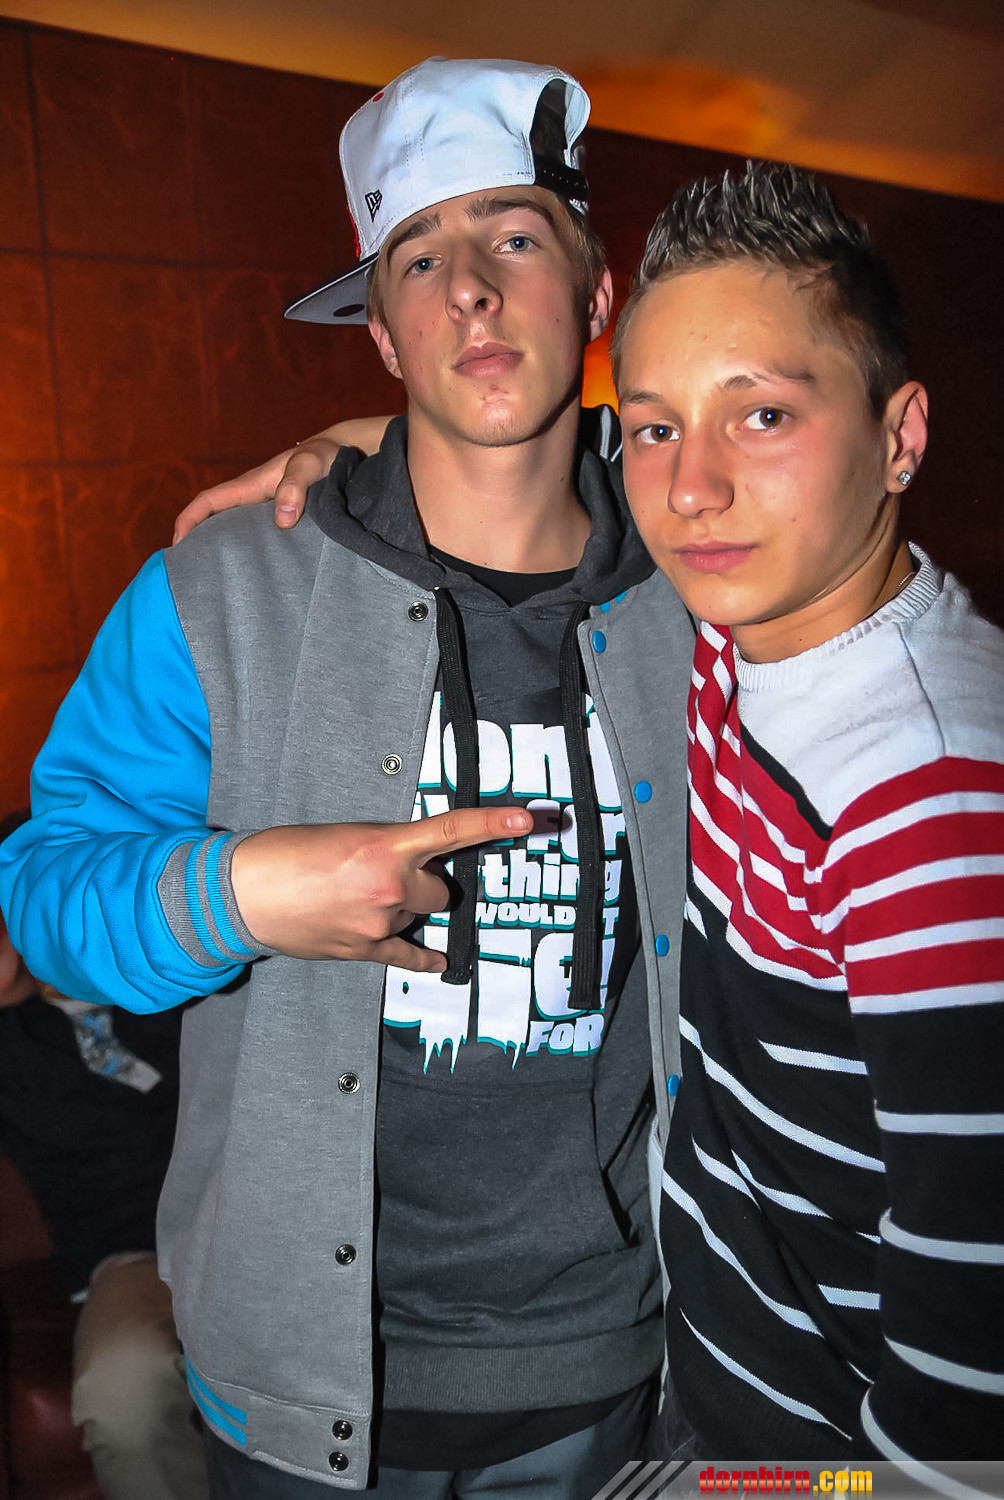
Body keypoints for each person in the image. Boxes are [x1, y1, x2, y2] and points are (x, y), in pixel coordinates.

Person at [0, 58, 695, 1496]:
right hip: (294, 1390)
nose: (472, 291)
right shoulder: (223, 589)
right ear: (380, 332)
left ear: (597, 292)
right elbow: (47, 895)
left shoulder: (709, 582)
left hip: (613, 1364)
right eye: (420, 258)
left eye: (514, 236)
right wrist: (244, 893)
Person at [609, 162, 1003, 1468]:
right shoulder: (746, 627)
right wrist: (346, 456)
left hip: (824, 1460)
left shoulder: (924, 799)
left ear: (899, 436)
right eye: (655, 429)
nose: (690, 488)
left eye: (763, 414)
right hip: (719, 1389)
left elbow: (974, 1321)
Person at [0, 817, 209, 1500]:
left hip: (258, 1226)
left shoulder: (174, 973)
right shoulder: (10, 1047)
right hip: (134, 1259)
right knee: (124, 1385)